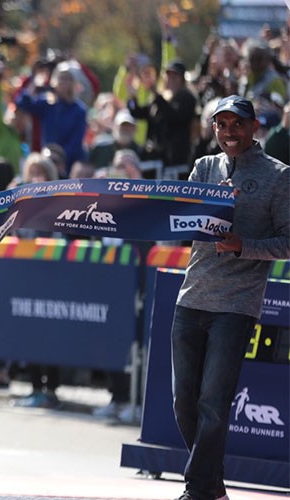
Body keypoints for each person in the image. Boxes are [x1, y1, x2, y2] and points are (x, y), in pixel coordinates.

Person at [170, 95, 289, 500]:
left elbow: (288, 242)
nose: (228, 132)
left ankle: (197, 490)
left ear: (255, 126)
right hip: (191, 297)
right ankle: (214, 488)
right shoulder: (204, 166)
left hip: (236, 305)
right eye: (221, 124)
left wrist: (242, 245)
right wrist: (206, 206)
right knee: (183, 404)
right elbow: (182, 220)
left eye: (237, 123)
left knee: (213, 404)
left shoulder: (279, 176)